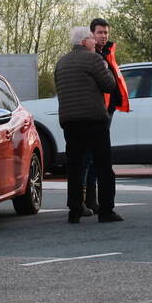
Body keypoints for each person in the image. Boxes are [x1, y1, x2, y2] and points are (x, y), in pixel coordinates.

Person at [54, 26, 122, 224]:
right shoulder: (94, 59)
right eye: (92, 38)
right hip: (93, 120)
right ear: (84, 42)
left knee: (75, 167)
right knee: (103, 166)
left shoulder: (61, 62)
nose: (95, 41)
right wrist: (107, 69)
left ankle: (74, 210)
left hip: (69, 122)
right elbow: (109, 85)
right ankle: (106, 211)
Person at [83, 18, 130, 212]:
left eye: (106, 33)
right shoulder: (92, 55)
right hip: (96, 112)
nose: (103, 36)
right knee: (91, 156)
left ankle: (91, 200)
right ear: (91, 34)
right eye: (100, 32)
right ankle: (88, 200)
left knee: (96, 156)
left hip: (106, 111)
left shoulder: (107, 53)